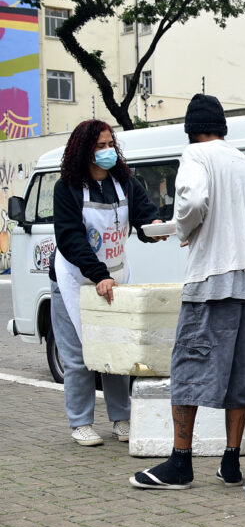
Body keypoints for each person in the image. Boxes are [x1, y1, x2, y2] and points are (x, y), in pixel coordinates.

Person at [130, 94, 245, 489]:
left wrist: (184, 230)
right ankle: (231, 463)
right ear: (222, 127)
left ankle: (180, 463)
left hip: (209, 278)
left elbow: (192, 201)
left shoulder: (195, 156)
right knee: (241, 373)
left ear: (192, 130)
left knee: (187, 366)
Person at [51, 119, 165, 446]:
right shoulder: (67, 189)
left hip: (115, 279)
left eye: (109, 144)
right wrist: (97, 274)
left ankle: (121, 418)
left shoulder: (125, 183)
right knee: (77, 357)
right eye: (100, 146)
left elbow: (144, 216)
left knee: (117, 353)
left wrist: (155, 228)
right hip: (74, 279)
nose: (107, 151)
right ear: (84, 152)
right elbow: (71, 239)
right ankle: (81, 422)